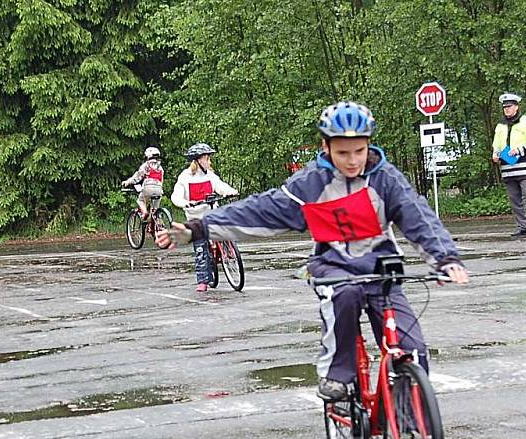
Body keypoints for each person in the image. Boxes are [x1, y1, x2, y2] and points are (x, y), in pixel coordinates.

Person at [158, 101, 469, 400]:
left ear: (369, 146)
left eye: (359, 151)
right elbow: (260, 211)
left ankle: (408, 424)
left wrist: (445, 258)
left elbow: (419, 217)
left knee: (412, 349)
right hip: (334, 267)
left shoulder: (385, 179)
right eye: (343, 152)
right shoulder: (311, 183)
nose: (352, 160)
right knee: (343, 297)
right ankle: (337, 373)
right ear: (325, 147)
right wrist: (199, 228)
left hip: (380, 268)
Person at [170, 143, 238, 292]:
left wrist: (230, 191)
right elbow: (176, 196)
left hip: (211, 212)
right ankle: (203, 281)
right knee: (200, 250)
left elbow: (220, 185)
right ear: (198, 161)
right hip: (196, 218)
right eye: (207, 159)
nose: (209, 162)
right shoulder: (185, 177)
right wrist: (185, 203)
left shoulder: (209, 175)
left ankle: (228, 249)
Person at [492, 92, 526, 237]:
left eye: (509, 107)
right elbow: (496, 144)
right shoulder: (500, 125)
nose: (506, 109)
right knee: (514, 199)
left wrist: (519, 151)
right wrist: (495, 154)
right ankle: (522, 227)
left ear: (516, 107)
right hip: (508, 167)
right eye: (505, 107)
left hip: (525, 166)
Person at [121, 146, 165, 219]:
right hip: (159, 189)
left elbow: (137, 177)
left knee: (140, 200)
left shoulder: (146, 166)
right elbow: (161, 179)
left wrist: (128, 182)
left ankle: (144, 212)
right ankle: (159, 224)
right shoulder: (160, 168)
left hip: (148, 188)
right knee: (155, 210)